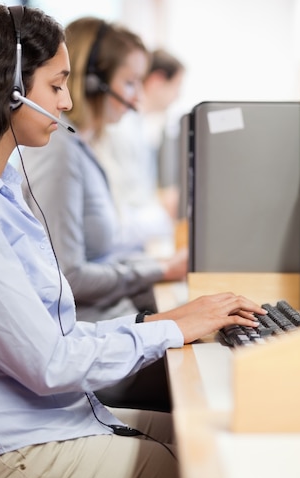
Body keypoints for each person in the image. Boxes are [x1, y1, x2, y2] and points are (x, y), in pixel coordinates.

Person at [0, 3, 266, 478]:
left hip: (58, 422)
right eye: (55, 85)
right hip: (18, 454)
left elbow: (59, 336)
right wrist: (169, 331)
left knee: (229, 434)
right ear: (7, 87)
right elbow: (51, 362)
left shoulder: (1, 190)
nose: (67, 102)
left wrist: (168, 321)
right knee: (224, 471)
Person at [21, 18, 187, 325]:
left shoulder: (81, 146)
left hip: (106, 317)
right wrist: (160, 269)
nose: (137, 96)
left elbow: (100, 256)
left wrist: (158, 267)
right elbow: (68, 275)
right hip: (87, 328)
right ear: (94, 81)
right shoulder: (59, 150)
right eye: (129, 82)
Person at [92, 48, 186, 251]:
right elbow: (126, 209)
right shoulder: (121, 128)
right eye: (177, 86)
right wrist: (166, 212)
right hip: (121, 241)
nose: (177, 97)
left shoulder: (139, 128)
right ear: (157, 80)